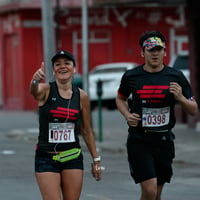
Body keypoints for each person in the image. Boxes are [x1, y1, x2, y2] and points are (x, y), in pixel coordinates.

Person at [116, 31, 198, 200]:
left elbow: (193, 109)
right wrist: (127, 115)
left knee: (155, 194)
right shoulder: (132, 76)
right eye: (150, 50)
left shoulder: (176, 76)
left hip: (164, 141)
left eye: (158, 50)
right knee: (150, 189)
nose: (155, 53)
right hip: (139, 140)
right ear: (142, 52)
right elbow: (120, 98)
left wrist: (181, 98)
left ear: (165, 52)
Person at [30, 50, 101, 200]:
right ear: (54, 70)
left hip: (72, 157)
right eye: (58, 64)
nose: (62, 67)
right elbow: (34, 91)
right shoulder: (45, 90)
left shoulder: (82, 96)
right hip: (47, 157)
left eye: (67, 63)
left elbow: (87, 130)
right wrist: (35, 80)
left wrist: (96, 160)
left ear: (74, 68)